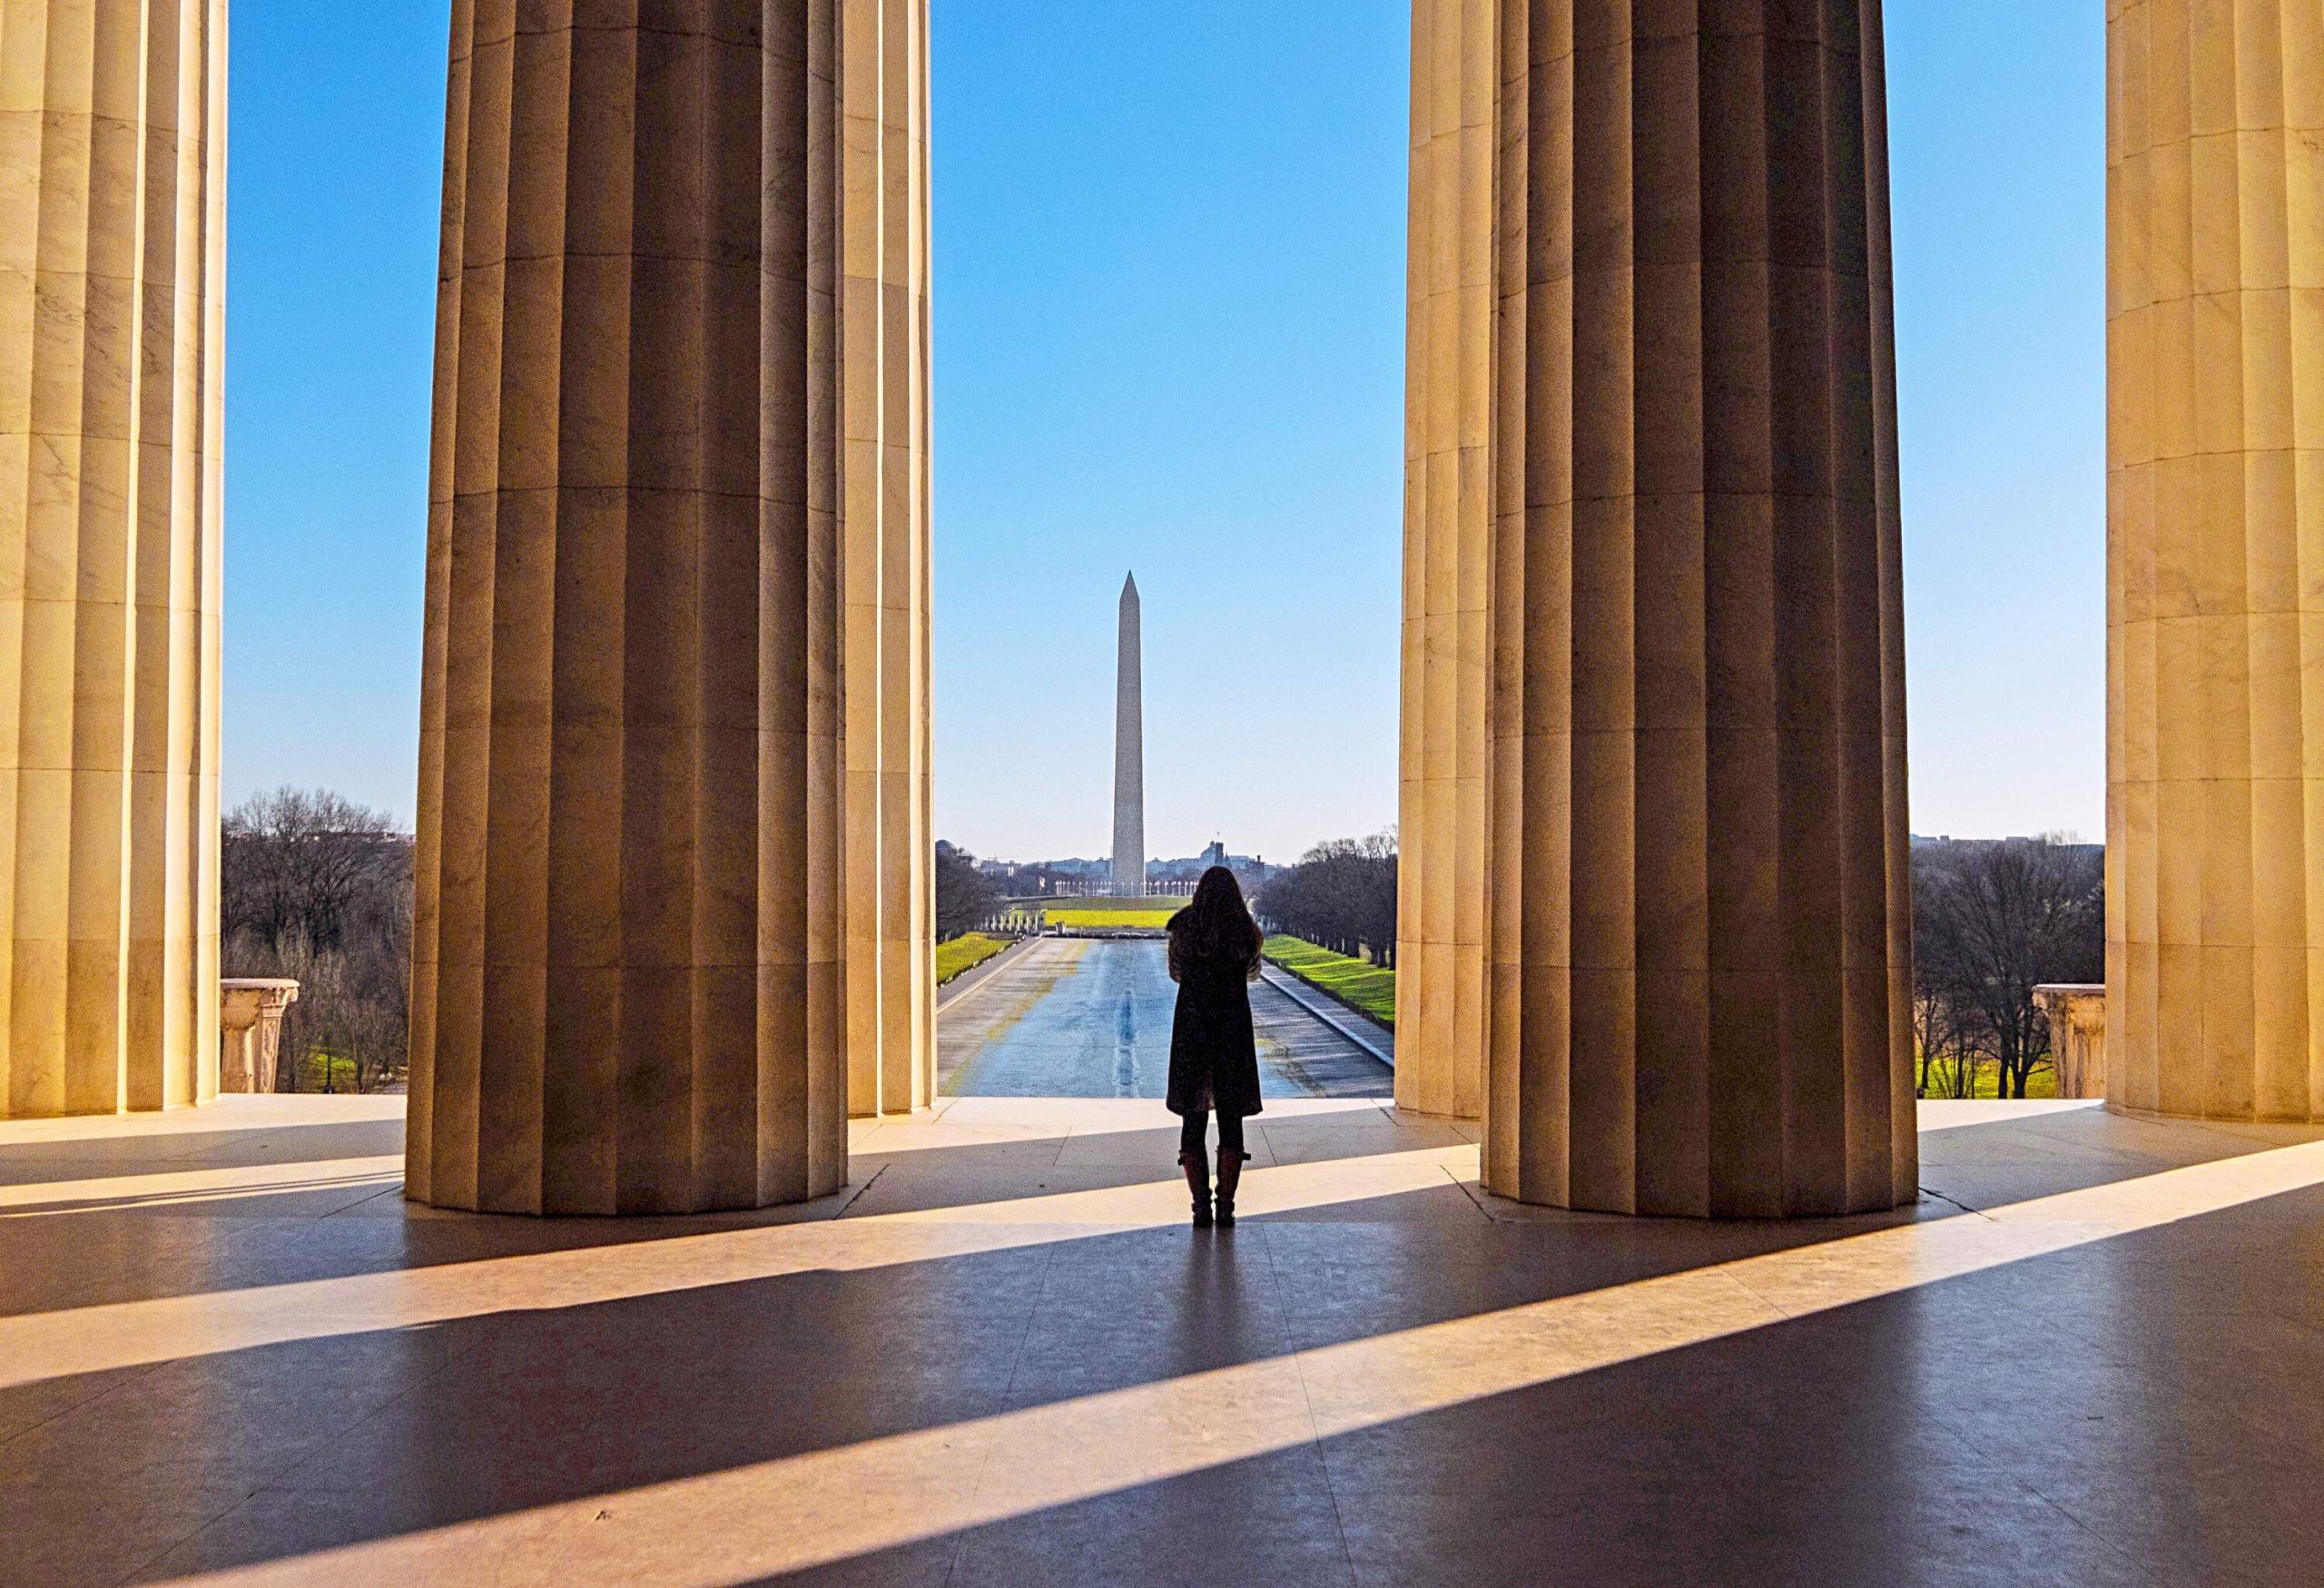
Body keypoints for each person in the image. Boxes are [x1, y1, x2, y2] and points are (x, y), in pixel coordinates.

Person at [1166, 866, 1265, 1228]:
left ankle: (1199, 1207)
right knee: (1231, 1117)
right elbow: (1253, 973)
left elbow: (1176, 972)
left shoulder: (1183, 929)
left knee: (1193, 1119)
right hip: (1232, 1027)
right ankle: (1226, 1206)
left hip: (1193, 1026)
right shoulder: (1247, 930)